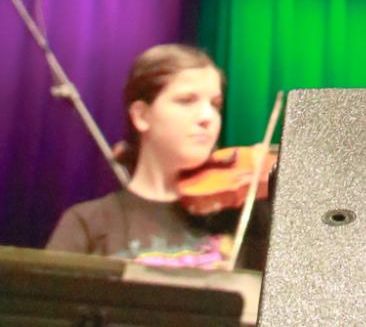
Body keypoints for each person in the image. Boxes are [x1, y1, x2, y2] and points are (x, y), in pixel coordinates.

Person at [46, 43, 260, 268]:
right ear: (141, 116)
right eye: (186, 100)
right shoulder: (89, 223)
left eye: (215, 104)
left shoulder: (243, 216)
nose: (208, 117)